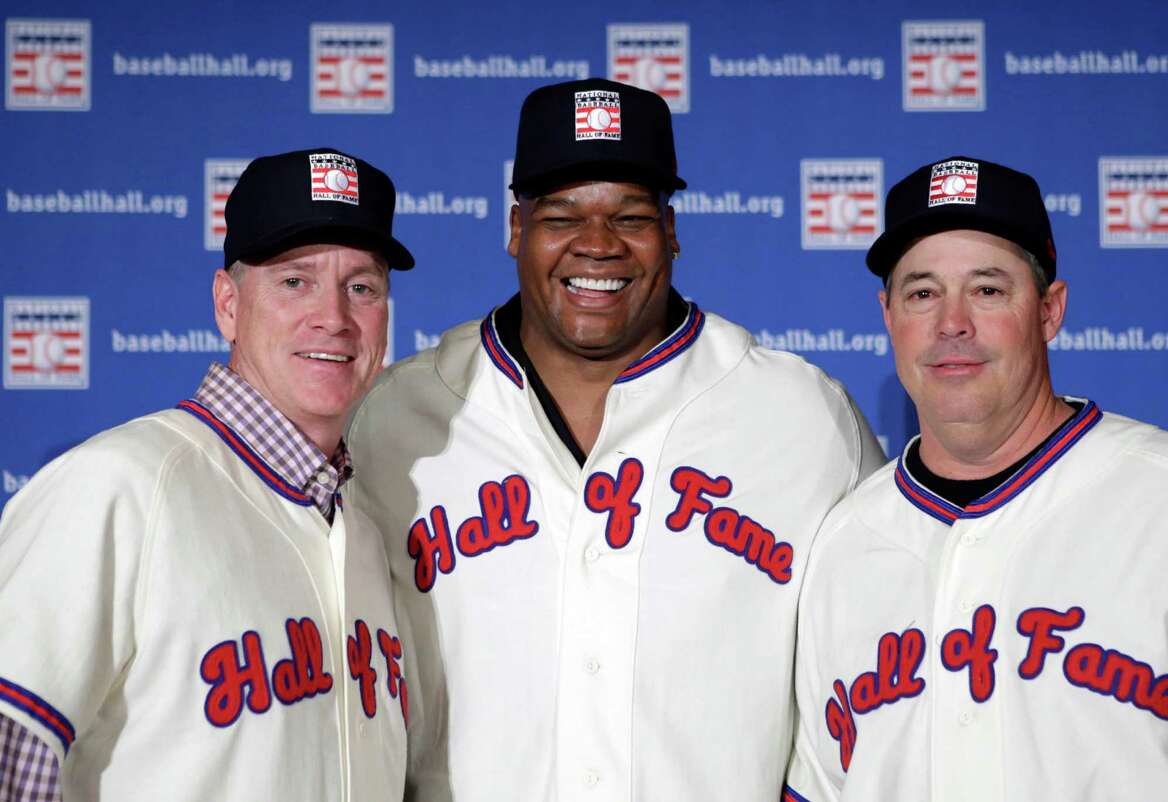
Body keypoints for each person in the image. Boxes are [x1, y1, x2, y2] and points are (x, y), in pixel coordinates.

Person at [345, 78, 885, 801]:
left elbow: (878, 666)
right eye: (562, 215)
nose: (596, 245)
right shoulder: (392, 417)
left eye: (630, 216)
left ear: (671, 231)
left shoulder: (800, 415)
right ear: (515, 227)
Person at [0, 148, 415, 801]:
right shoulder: (120, 486)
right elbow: (12, 749)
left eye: (361, 287)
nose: (333, 317)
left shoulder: (366, 530)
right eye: (294, 281)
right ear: (228, 304)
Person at [784, 156, 1168, 801]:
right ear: (888, 316)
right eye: (923, 293)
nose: (953, 323)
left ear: (1049, 310)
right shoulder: (841, 542)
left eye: (988, 289)